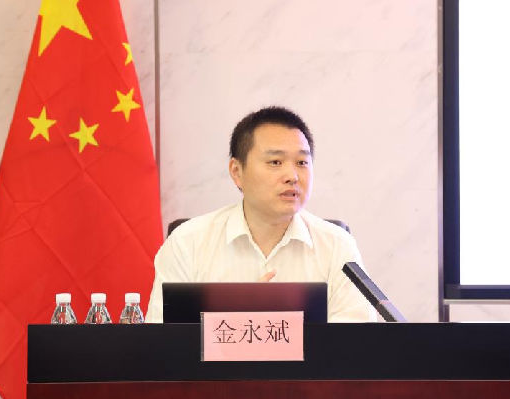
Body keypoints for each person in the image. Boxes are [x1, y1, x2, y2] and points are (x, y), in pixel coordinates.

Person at [145, 106, 376, 323]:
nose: (292, 176)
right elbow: (162, 341)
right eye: (275, 162)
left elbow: (356, 343)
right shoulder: (188, 243)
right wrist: (242, 326)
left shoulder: (337, 246)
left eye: (302, 162)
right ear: (237, 172)